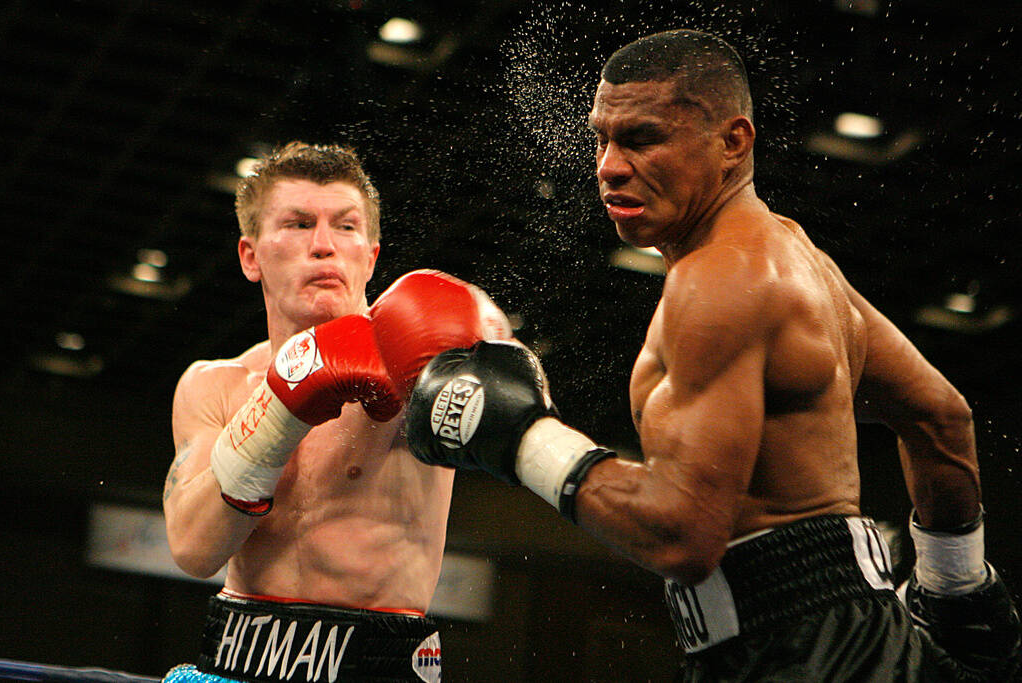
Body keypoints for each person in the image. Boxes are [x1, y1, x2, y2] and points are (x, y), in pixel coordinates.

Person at [400, 30, 1021, 681]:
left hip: (803, 652)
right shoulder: (795, 256)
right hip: (837, 638)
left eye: (641, 138)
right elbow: (939, 415)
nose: (608, 165)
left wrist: (519, 436)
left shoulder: (724, 281)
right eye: (600, 138)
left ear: (733, 142)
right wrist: (957, 588)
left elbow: (680, 536)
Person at [162, 141, 511, 683]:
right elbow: (193, 549)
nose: (324, 246)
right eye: (299, 224)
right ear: (250, 256)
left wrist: (488, 350)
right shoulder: (215, 386)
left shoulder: (421, 364)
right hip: (231, 660)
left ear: (370, 256)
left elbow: (510, 419)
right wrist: (281, 406)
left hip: (377, 667)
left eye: (345, 226)